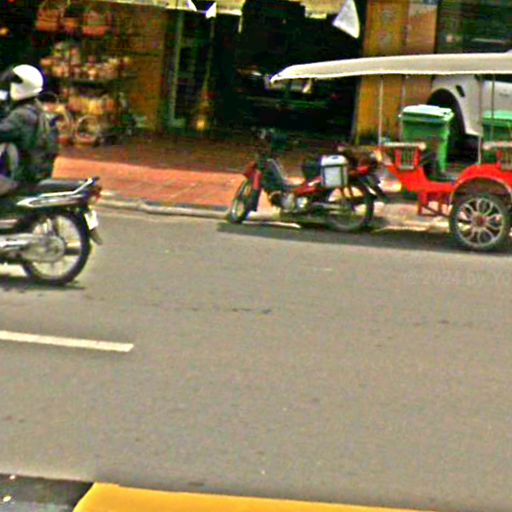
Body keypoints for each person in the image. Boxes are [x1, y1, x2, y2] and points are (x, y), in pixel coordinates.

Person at [0, 64, 47, 196]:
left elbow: (3, 131)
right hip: (32, 173)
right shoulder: (34, 108)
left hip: (20, 178)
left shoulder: (22, 116)